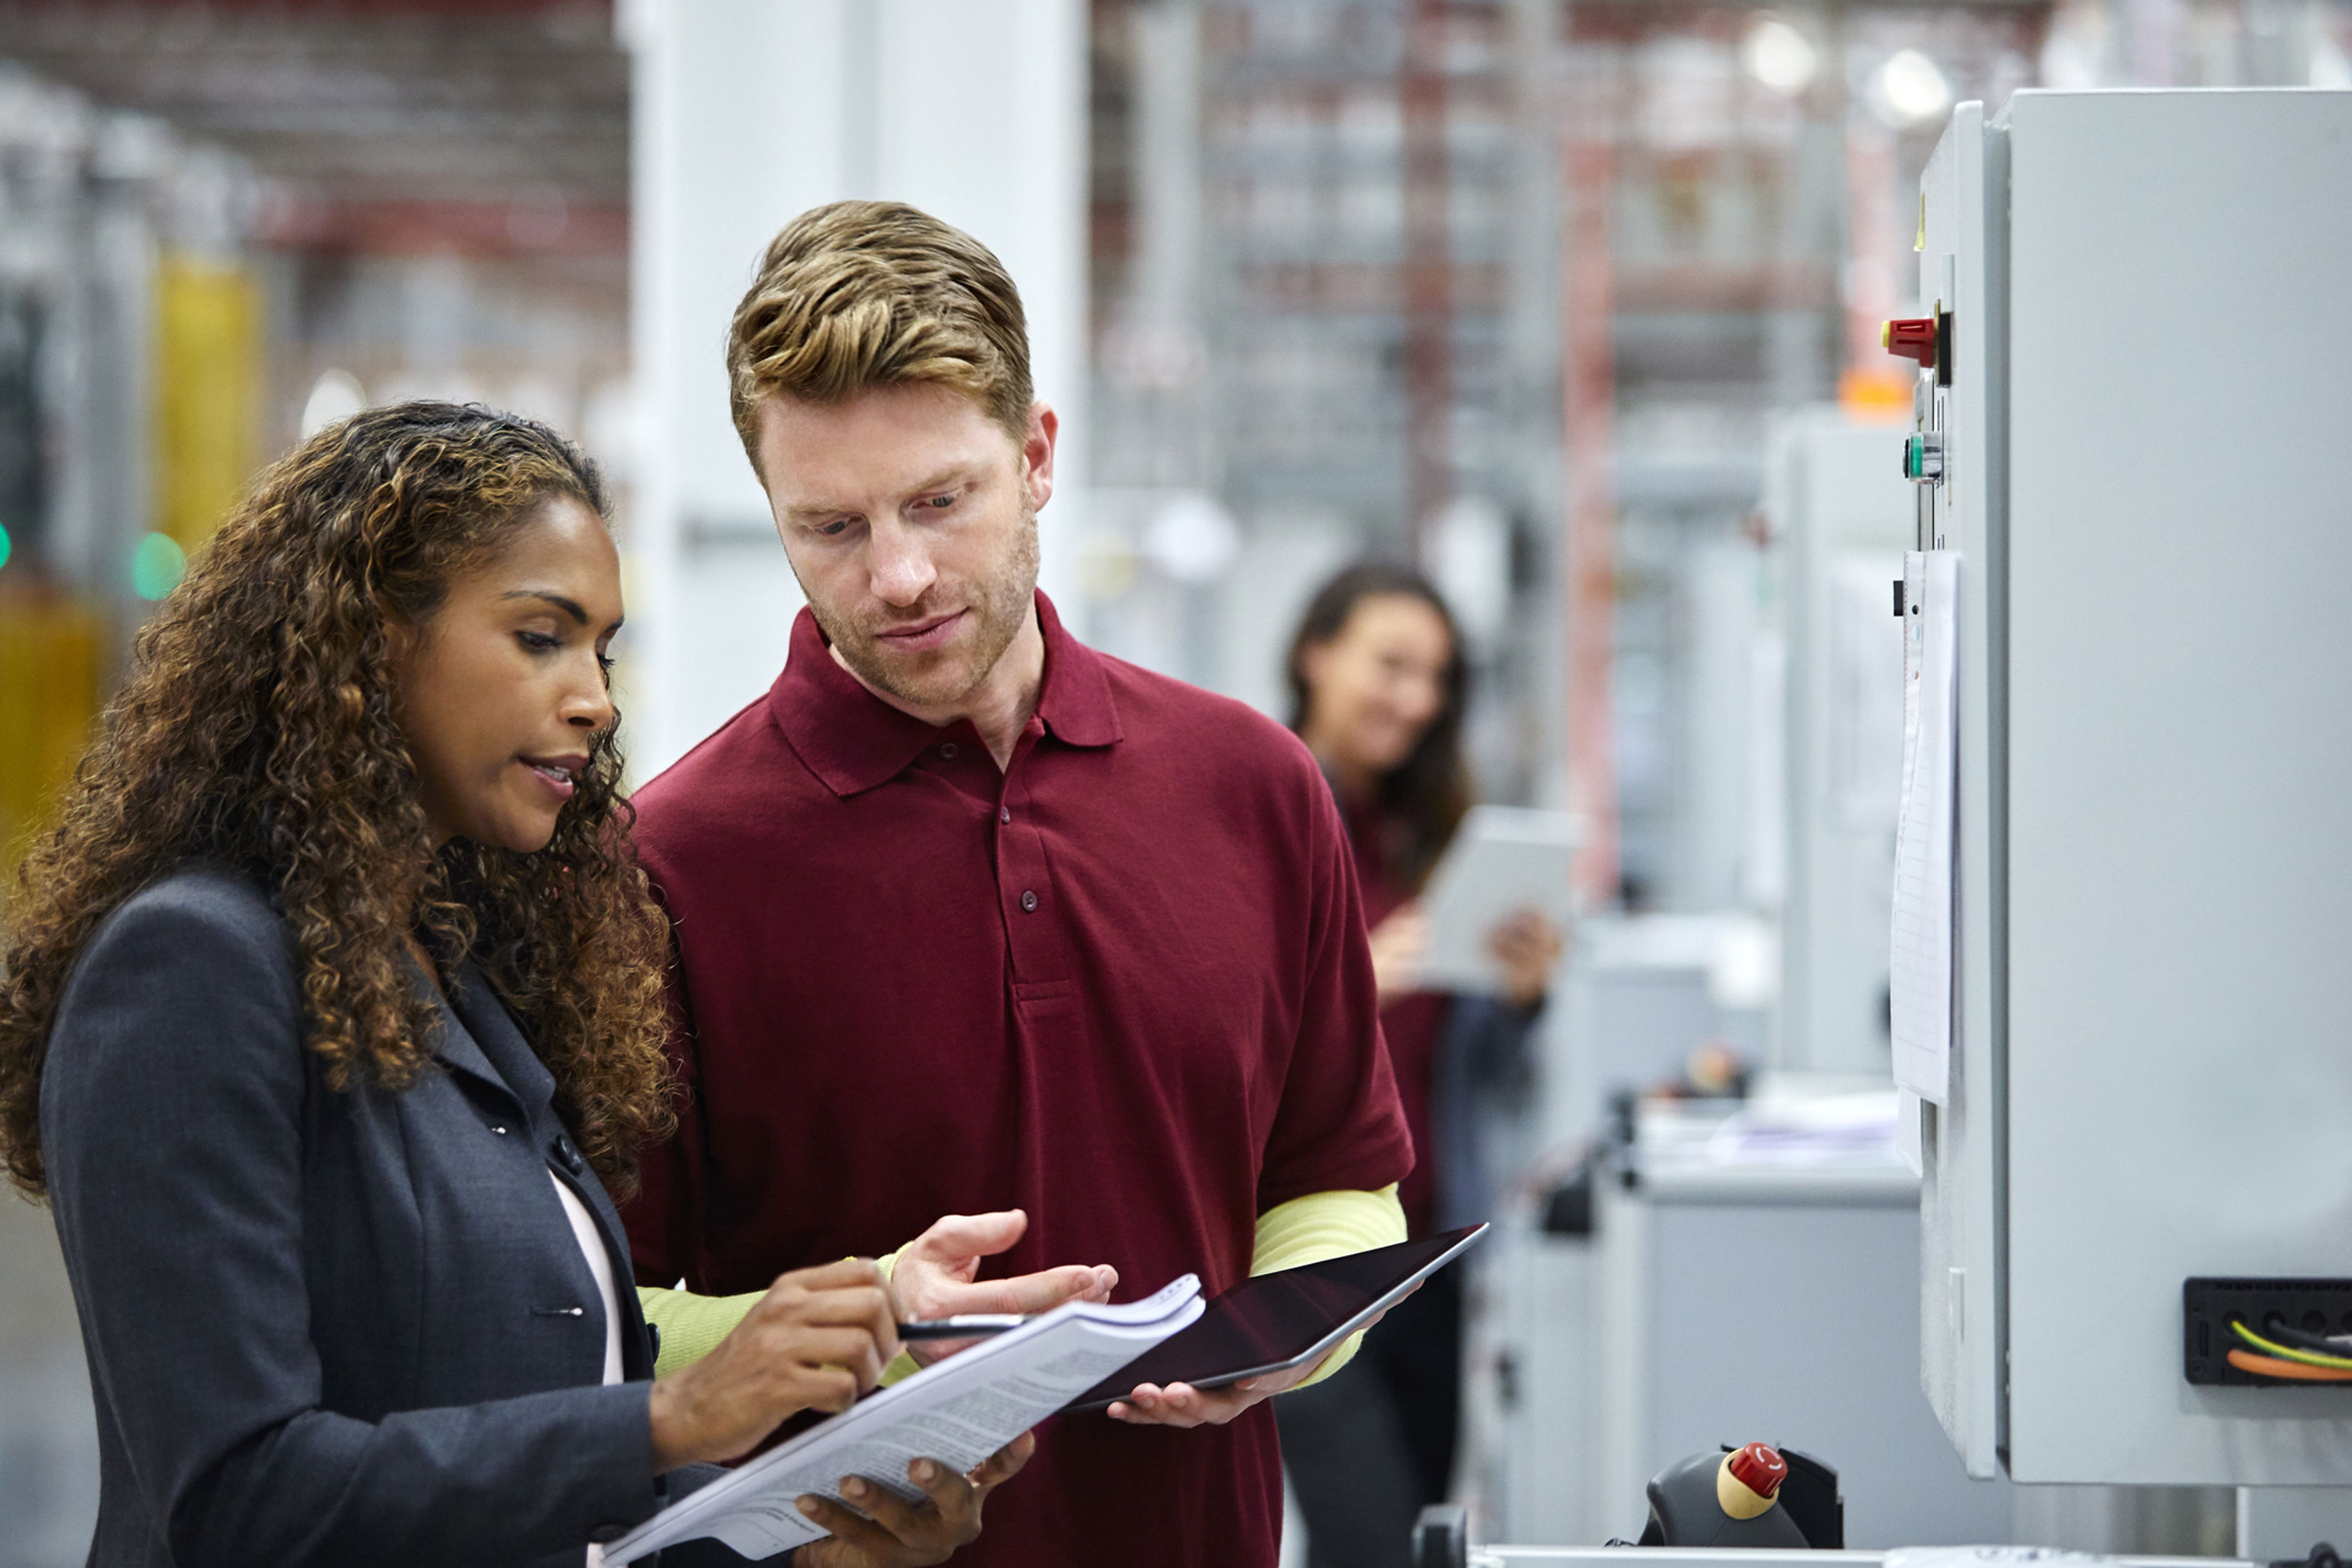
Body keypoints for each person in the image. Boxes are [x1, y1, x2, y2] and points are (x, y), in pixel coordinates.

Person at [0, 404, 1066, 1568]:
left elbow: (546, 1483)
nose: (595, 699)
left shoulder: (453, 984)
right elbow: (238, 1497)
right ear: (367, 649)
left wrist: (810, 1543)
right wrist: (669, 1421)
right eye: (539, 637)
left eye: (600, 649)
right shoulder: (192, 970)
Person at [618, 200, 1416, 1568]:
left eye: (941, 501)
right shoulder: (671, 861)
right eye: (832, 527)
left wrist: (1278, 1343)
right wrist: (866, 1323)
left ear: (1036, 456)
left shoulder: (1255, 789)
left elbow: (1339, 1181)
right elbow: (599, 1314)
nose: (901, 577)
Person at [1274, 561, 1565, 1568]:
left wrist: (1521, 993)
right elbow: (1217, 1025)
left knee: (1423, 1540)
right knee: (1371, 1545)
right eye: (1390, 665)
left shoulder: (1425, 833)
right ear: (1317, 654)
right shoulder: (1262, 807)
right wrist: (1358, 979)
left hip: (1428, 1252)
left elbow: (1473, 1062)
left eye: (1434, 676)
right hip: (1309, 1255)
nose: (1415, 698)